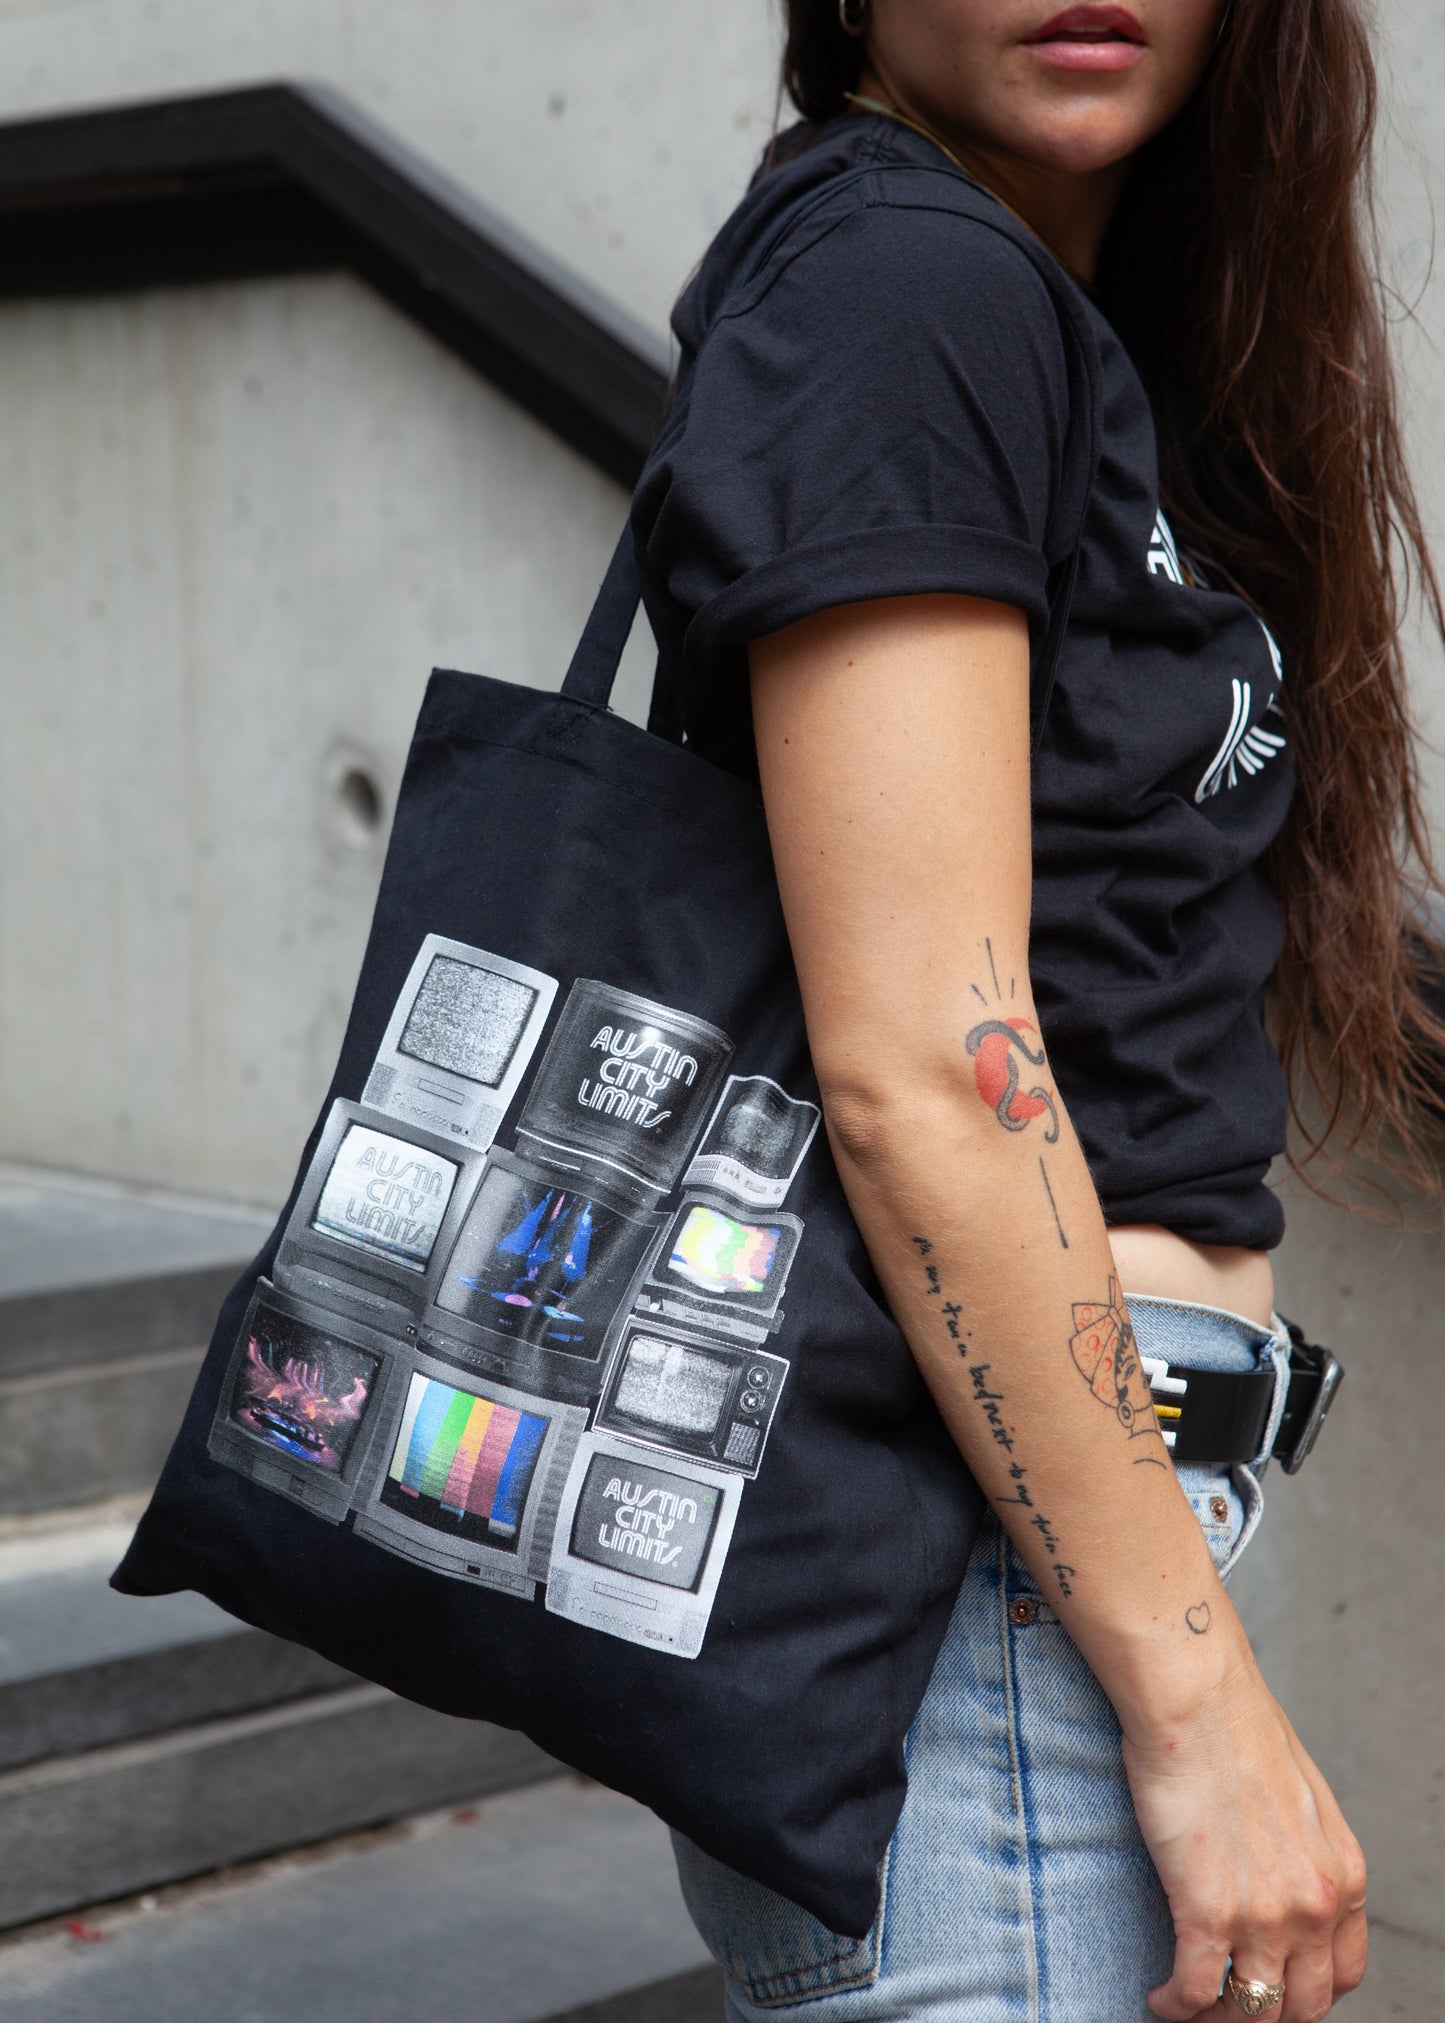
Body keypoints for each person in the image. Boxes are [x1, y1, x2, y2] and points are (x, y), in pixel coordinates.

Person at [629, 2, 1445, 2018]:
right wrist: (1201, 1706)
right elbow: (927, 1072)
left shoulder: (1029, 302)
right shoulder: (910, 286)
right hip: (998, 1579)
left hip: (1042, 1549)